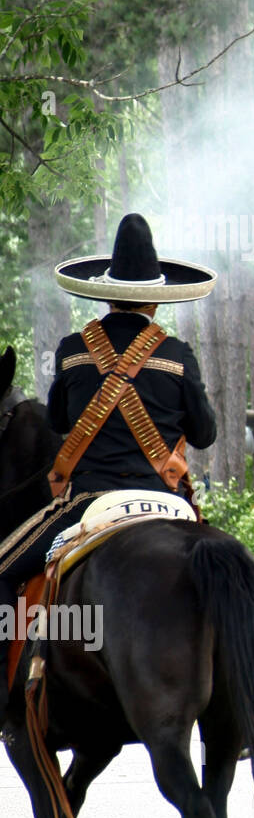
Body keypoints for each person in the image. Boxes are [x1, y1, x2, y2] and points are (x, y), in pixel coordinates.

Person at [0, 214, 218, 724]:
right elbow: (204, 434)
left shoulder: (75, 351)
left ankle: (7, 698)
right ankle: (250, 710)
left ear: (107, 294)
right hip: (167, 502)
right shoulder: (177, 354)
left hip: (87, 501)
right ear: (156, 298)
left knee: (4, 567)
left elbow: (57, 422)